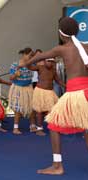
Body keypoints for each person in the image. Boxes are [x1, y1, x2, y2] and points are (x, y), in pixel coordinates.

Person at [23, 17, 88, 175]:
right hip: (86, 90)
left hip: (75, 93)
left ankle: (57, 166)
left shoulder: (62, 48)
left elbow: (40, 57)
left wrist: (26, 63)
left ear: (61, 34)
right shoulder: (85, 47)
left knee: (53, 125)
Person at [28, 58, 65, 136]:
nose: (50, 63)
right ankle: (39, 129)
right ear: (44, 62)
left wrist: (66, 86)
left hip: (50, 92)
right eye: (48, 61)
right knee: (39, 111)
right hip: (40, 91)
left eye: (52, 62)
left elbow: (58, 80)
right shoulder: (40, 67)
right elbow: (30, 67)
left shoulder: (53, 70)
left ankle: (55, 128)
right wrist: (30, 60)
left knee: (53, 111)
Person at [9, 47, 35, 135]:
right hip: (18, 88)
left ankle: (32, 126)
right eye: (30, 55)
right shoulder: (15, 64)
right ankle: (15, 128)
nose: (31, 57)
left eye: (32, 56)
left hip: (28, 88)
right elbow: (11, 78)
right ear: (24, 54)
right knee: (18, 109)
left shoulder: (32, 64)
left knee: (31, 107)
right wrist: (15, 74)